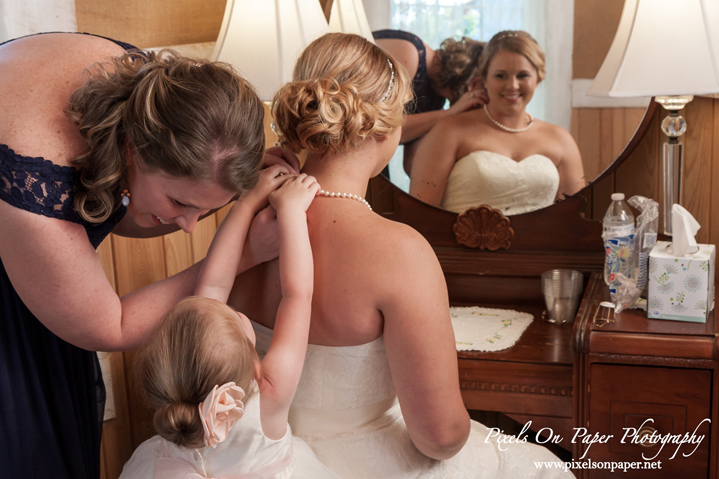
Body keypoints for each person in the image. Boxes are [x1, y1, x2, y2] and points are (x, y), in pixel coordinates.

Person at [229, 32, 572, 478]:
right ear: (385, 127)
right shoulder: (399, 252)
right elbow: (441, 437)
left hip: (249, 456)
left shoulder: (245, 221)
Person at [0, 32, 297, 479]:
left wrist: (228, 181)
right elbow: (108, 324)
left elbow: (107, 205)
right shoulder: (32, 186)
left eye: (206, 207)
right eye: (180, 202)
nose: (190, 224)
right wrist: (245, 252)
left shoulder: (155, 99)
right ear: (132, 150)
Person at [119, 170, 340, 478]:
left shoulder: (177, 403)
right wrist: (291, 213)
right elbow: (297, 296)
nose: (237, 313)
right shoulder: (270, 396)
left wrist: (247, 202)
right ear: (253, 364)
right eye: (237, 320)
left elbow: (213, 286)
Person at [409, 30, 586, 216]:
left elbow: (575, 219)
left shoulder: (560, 139)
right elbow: (420, 215)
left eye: (523, 75)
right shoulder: (449, 131)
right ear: (484, 79)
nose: (512, 86)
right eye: (501, 76)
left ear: (539, 78)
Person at [373, 30, 487, 174]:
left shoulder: (437, 101)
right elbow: (375, 127)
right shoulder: (411, 55)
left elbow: (412, 168)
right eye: (484, 88)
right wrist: (449, 113)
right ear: (472, 83)